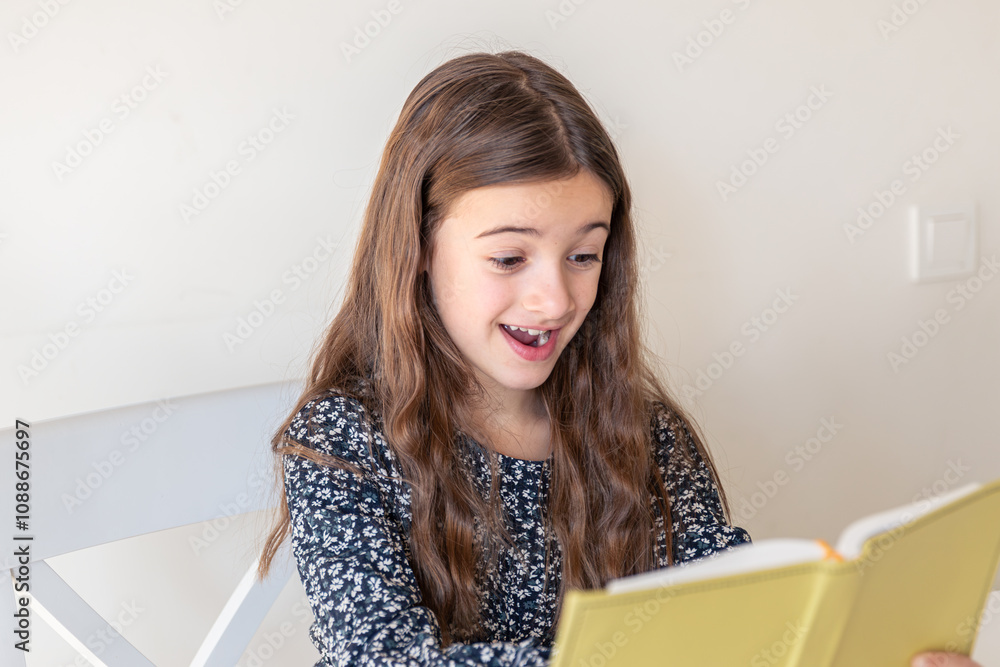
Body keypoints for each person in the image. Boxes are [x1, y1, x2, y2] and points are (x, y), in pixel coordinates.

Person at [256, 51, 984, 667]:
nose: (552, 299)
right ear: (415, 249)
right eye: (510, 256)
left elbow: (735, 602)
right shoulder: (343, 444)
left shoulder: (642, 431)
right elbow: (377, 656)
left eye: (583, 255)